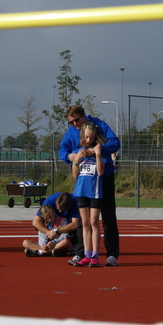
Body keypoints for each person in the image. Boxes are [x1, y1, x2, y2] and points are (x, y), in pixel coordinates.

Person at [59, 105, 120, 267]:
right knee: (82, 220)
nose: (74, 124)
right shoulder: (71, 132)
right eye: (70, 122)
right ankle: (81, 253)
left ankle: (111, 254)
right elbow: (62, 150)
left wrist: (95, 151)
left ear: (83, 116)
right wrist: (69, 156)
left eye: (76, 120)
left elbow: (115, 143)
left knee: (107, 217)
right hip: (84, 181)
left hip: (103, 177)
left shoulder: (99, 125)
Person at [71, 122, 106, 267]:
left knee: (93, 222)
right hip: (81, 191)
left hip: (95, 191)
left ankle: (95, 256)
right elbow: (75, 175)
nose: (88, 140)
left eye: (91, 138)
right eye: (86, 137)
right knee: (84, 223)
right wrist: (76, 160)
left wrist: (97, 155)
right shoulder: (79, 151)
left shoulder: (98, 150)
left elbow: (101, 171)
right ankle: (86, 254)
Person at [23, 192, 79, 257]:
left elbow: (75, 224)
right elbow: (35, 222)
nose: (60, 211)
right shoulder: (49, 202)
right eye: (58, 209)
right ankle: (50, 251)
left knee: (66, 242)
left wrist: (55, 235)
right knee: (25, 242)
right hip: (50, 241)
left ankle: (40, 252)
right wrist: (49, 235)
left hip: (60, 238)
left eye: (62, 210)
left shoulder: (75, 204)